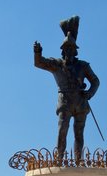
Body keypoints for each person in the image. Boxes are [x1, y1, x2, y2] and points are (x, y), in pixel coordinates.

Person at [34, 16, 100, 161]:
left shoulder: (83, 65)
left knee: (79, 133)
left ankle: (78, 160)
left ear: (75, 51)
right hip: (64, 102)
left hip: (80, 102)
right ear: (62, 50)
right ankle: (59, 158)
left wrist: (89, 93)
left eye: (71, 48)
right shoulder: (57, 64)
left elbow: (95, 81)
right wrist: (37, 53)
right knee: (62, 130)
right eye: (66, 48)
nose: (69, 51)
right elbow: (39, 63)